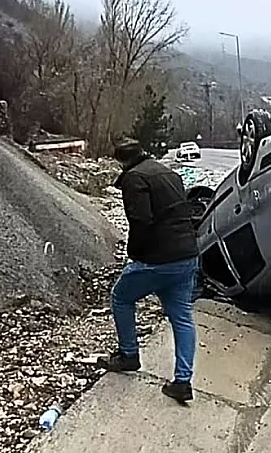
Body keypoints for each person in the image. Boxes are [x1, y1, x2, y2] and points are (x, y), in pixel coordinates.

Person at [98, 138, 200, 403]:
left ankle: (129, 355)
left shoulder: (134, 179)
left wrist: (135, 256)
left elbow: (141, 221)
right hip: (187, 255)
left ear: (122, 161)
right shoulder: (169, 172)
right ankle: (182, 382)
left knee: (121, 296)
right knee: (182, 317)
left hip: (159, 259)